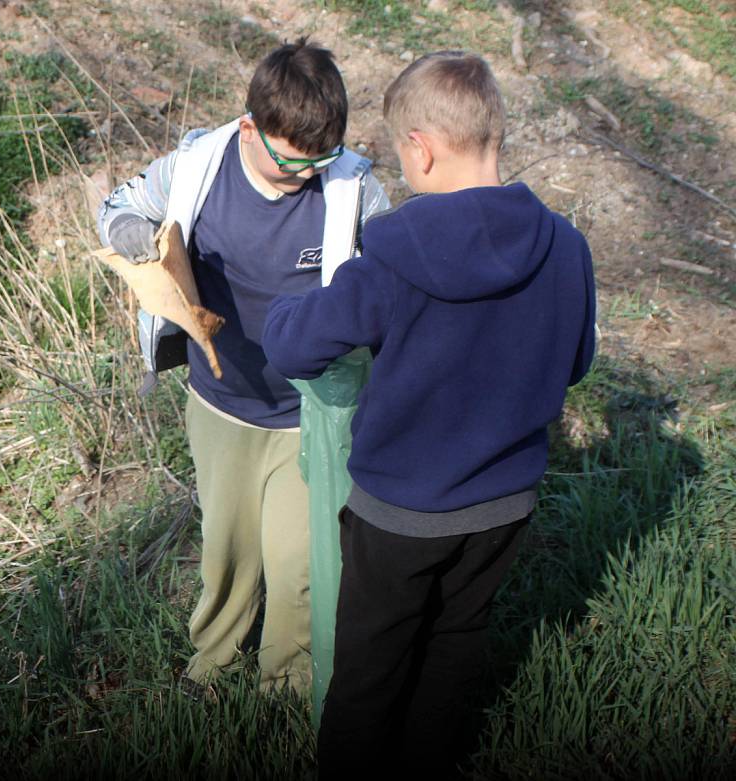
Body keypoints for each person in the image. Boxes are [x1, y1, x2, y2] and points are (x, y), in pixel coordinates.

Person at [262, 51, 597, 776]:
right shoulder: (567, 248)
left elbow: (292, 345)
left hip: (400, 514)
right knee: (456, 647)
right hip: (504, 506)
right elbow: (575, 363)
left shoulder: (394, 257)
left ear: (421, 147)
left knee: (369, 671)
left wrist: (285, 310)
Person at [97, 39, 390, 693]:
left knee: (298, 561)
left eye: (322, 160)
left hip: (309, 411)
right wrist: (138, 239)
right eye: (291, 162)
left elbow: (398, 263)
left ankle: (285, 681)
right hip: (220, 400)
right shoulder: (198, 164)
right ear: (251, 128)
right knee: (228, 550)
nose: (307, 176)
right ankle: (213, 665)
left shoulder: (353, 186)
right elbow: (117, 208)